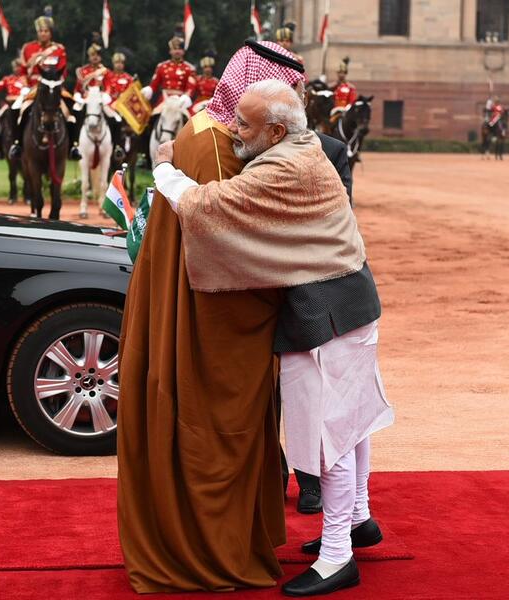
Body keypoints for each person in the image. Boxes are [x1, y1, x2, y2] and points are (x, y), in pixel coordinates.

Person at [152, 78, 393, 597]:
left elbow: (204, 205)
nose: (234, 130)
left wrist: (164, 168)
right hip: (351, 302)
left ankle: (338, 557)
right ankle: (359, 520)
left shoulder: (282, 167)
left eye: (244, 124)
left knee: (330, 439)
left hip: (325, 314)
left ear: (277, 131)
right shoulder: (308, 146)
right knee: (351, 425)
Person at [116, 40, 306, 594]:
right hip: (211, 321)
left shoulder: (204, 125)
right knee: (216, 428)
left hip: (188, 301)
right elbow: (232, 249)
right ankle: (211, 551)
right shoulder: (223, 150)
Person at [8, 8, 78, 160]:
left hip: (54, 87)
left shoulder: (59, 49)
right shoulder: (28, 48)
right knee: (16, 109)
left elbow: (63, 71)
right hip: (33, 87)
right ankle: (17, 144)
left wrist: (56, 84)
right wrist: (24, 85)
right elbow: (22, 71)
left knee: (72, 111)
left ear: (50, 32)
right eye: (40, 31)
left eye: (46, 31)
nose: (43, 34)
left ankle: (73, 146)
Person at [141, 34, 196, 114]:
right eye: (174, 49)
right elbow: (154, 84)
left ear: (183, 51)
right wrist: (149, 89)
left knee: (191, 119)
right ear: (170, 51)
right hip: (164, 99)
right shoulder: (162, 66)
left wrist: (187, 96)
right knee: (152, 117)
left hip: (181, 100)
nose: (177, 51)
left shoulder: (190, 68)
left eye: (179, 49)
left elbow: (191, 87)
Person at [0, 59, 27, 160]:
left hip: (23, 104)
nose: (16, 69)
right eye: (15, 67)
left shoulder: (26, 79)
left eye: (18, 67)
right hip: (9, 105)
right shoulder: (8, 79)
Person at [330, 57, 357, 123]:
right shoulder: (332, 86)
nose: (341, 75)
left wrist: (347, 108)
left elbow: (352, 101)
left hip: (345, 111)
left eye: (343, 73)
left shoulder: (350, 87)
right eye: (339, 72)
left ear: (345, 74)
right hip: (332, 110)